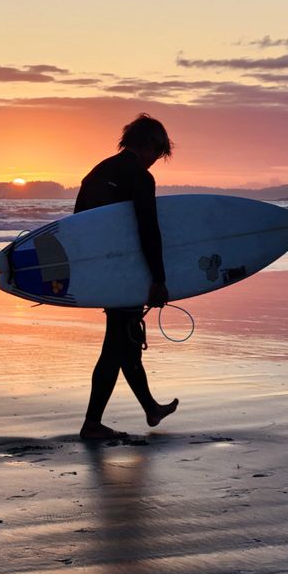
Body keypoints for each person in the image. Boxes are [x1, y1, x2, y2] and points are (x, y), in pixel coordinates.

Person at [74, 113, 179, 440]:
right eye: (157, 154)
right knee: (116, 346)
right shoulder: (139, 177)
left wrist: (91, 273)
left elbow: (78, 226)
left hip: (104, 272)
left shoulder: (97, 173)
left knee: (126, 340)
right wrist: (158, 278)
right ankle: (92, 424)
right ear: (148, 144)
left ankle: (150, 407)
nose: (154, 162)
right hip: (127, 273)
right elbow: (148, 229)